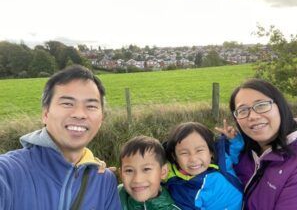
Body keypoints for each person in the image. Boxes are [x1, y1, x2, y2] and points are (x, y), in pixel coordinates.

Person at [0, 65, 121, 210]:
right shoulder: (9, 172)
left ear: (101, 119)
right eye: (67, 103)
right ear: (45, 114)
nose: (79, 114)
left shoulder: (104, 182)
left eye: (91, 106)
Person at [228, 78, 297, 209]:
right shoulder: (244, 151)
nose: (253, 116)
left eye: (261, 105)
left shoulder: (296, 163)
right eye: (243, 110)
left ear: (280, 106)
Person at [164, 122, 243, 210]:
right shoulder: (181, 189)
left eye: (199, 150)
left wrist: (233, 138)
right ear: (174, 156)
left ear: (211, 152)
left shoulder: (223, 159)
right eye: (184, 153)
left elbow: (236, 149)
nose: (193, 159)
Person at [118, 135, 181, 210]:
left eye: (146, 169)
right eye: (129, 170)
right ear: (121, 174)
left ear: (163, 172)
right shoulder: (113, 196)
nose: (137, 180)